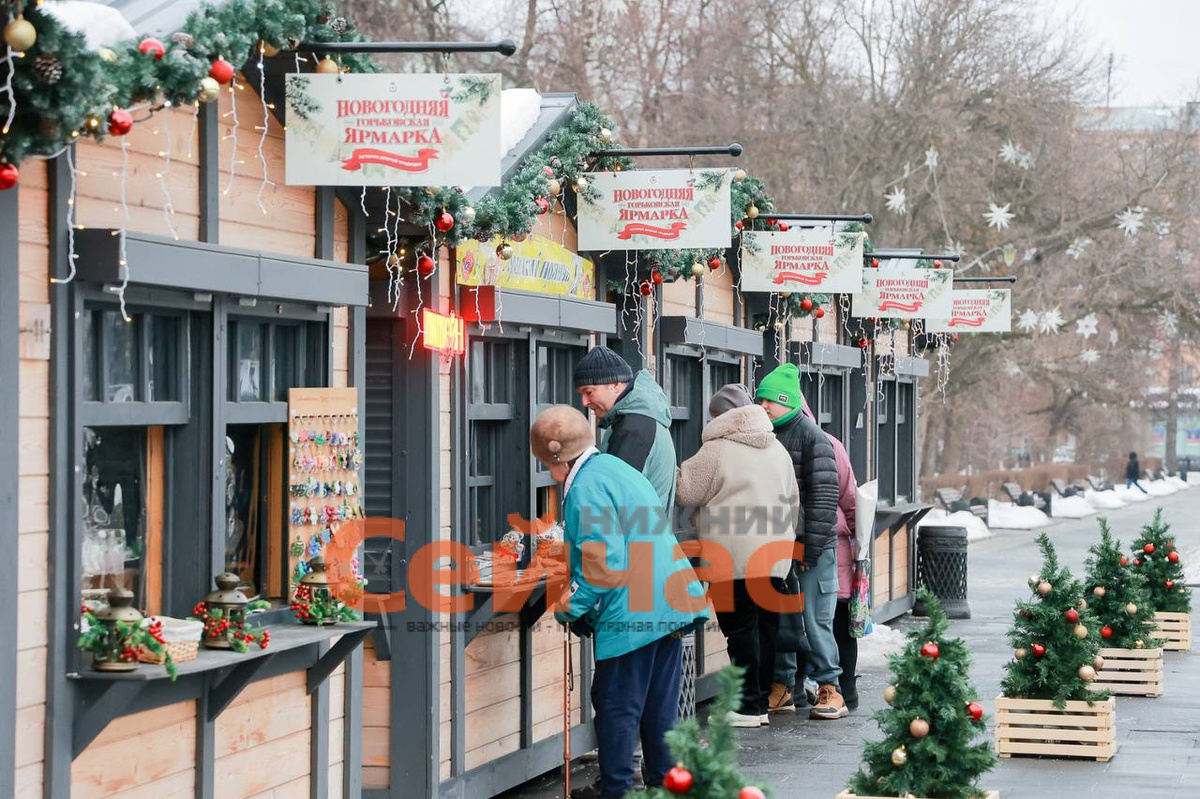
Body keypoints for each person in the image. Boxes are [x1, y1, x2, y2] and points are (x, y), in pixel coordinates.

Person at [531, 406, 708, 799]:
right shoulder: (616, 468)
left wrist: (570, 607)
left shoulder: (585, 487)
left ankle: (618, 790)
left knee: (616, 706)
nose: (549, 473)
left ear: (558, 460)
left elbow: (602, 564)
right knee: (659, 707)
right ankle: (664, 786)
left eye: (547, 464)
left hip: (634, 611)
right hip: (670, 599)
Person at [675, 384, 800, 727]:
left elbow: (685, 491)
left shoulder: (716, 449)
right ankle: (760, 703)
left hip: (732, 556)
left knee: (741, 631)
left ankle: (747, 707)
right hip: (775, 555)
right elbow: (793, 501)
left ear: (721, 416)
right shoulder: (777, 448)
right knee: (766, 630)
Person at [754, 363, 845, 720]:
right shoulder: (766, 436)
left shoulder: (813, 438)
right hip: (778, 546)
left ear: (789, 401)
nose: (763, 406)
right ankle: (782, 687)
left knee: (814, 618)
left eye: (770, 401)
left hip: (811, 548)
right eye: (760, 400)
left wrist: (811, 547)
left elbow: (824, 498)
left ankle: (830, 688)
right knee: (781, 617)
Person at [573, 346, 677, 509]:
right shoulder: (643, 418)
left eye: (589, 392)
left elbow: (614, 501)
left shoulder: (633, 429)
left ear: (615, 384)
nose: (584, 402)